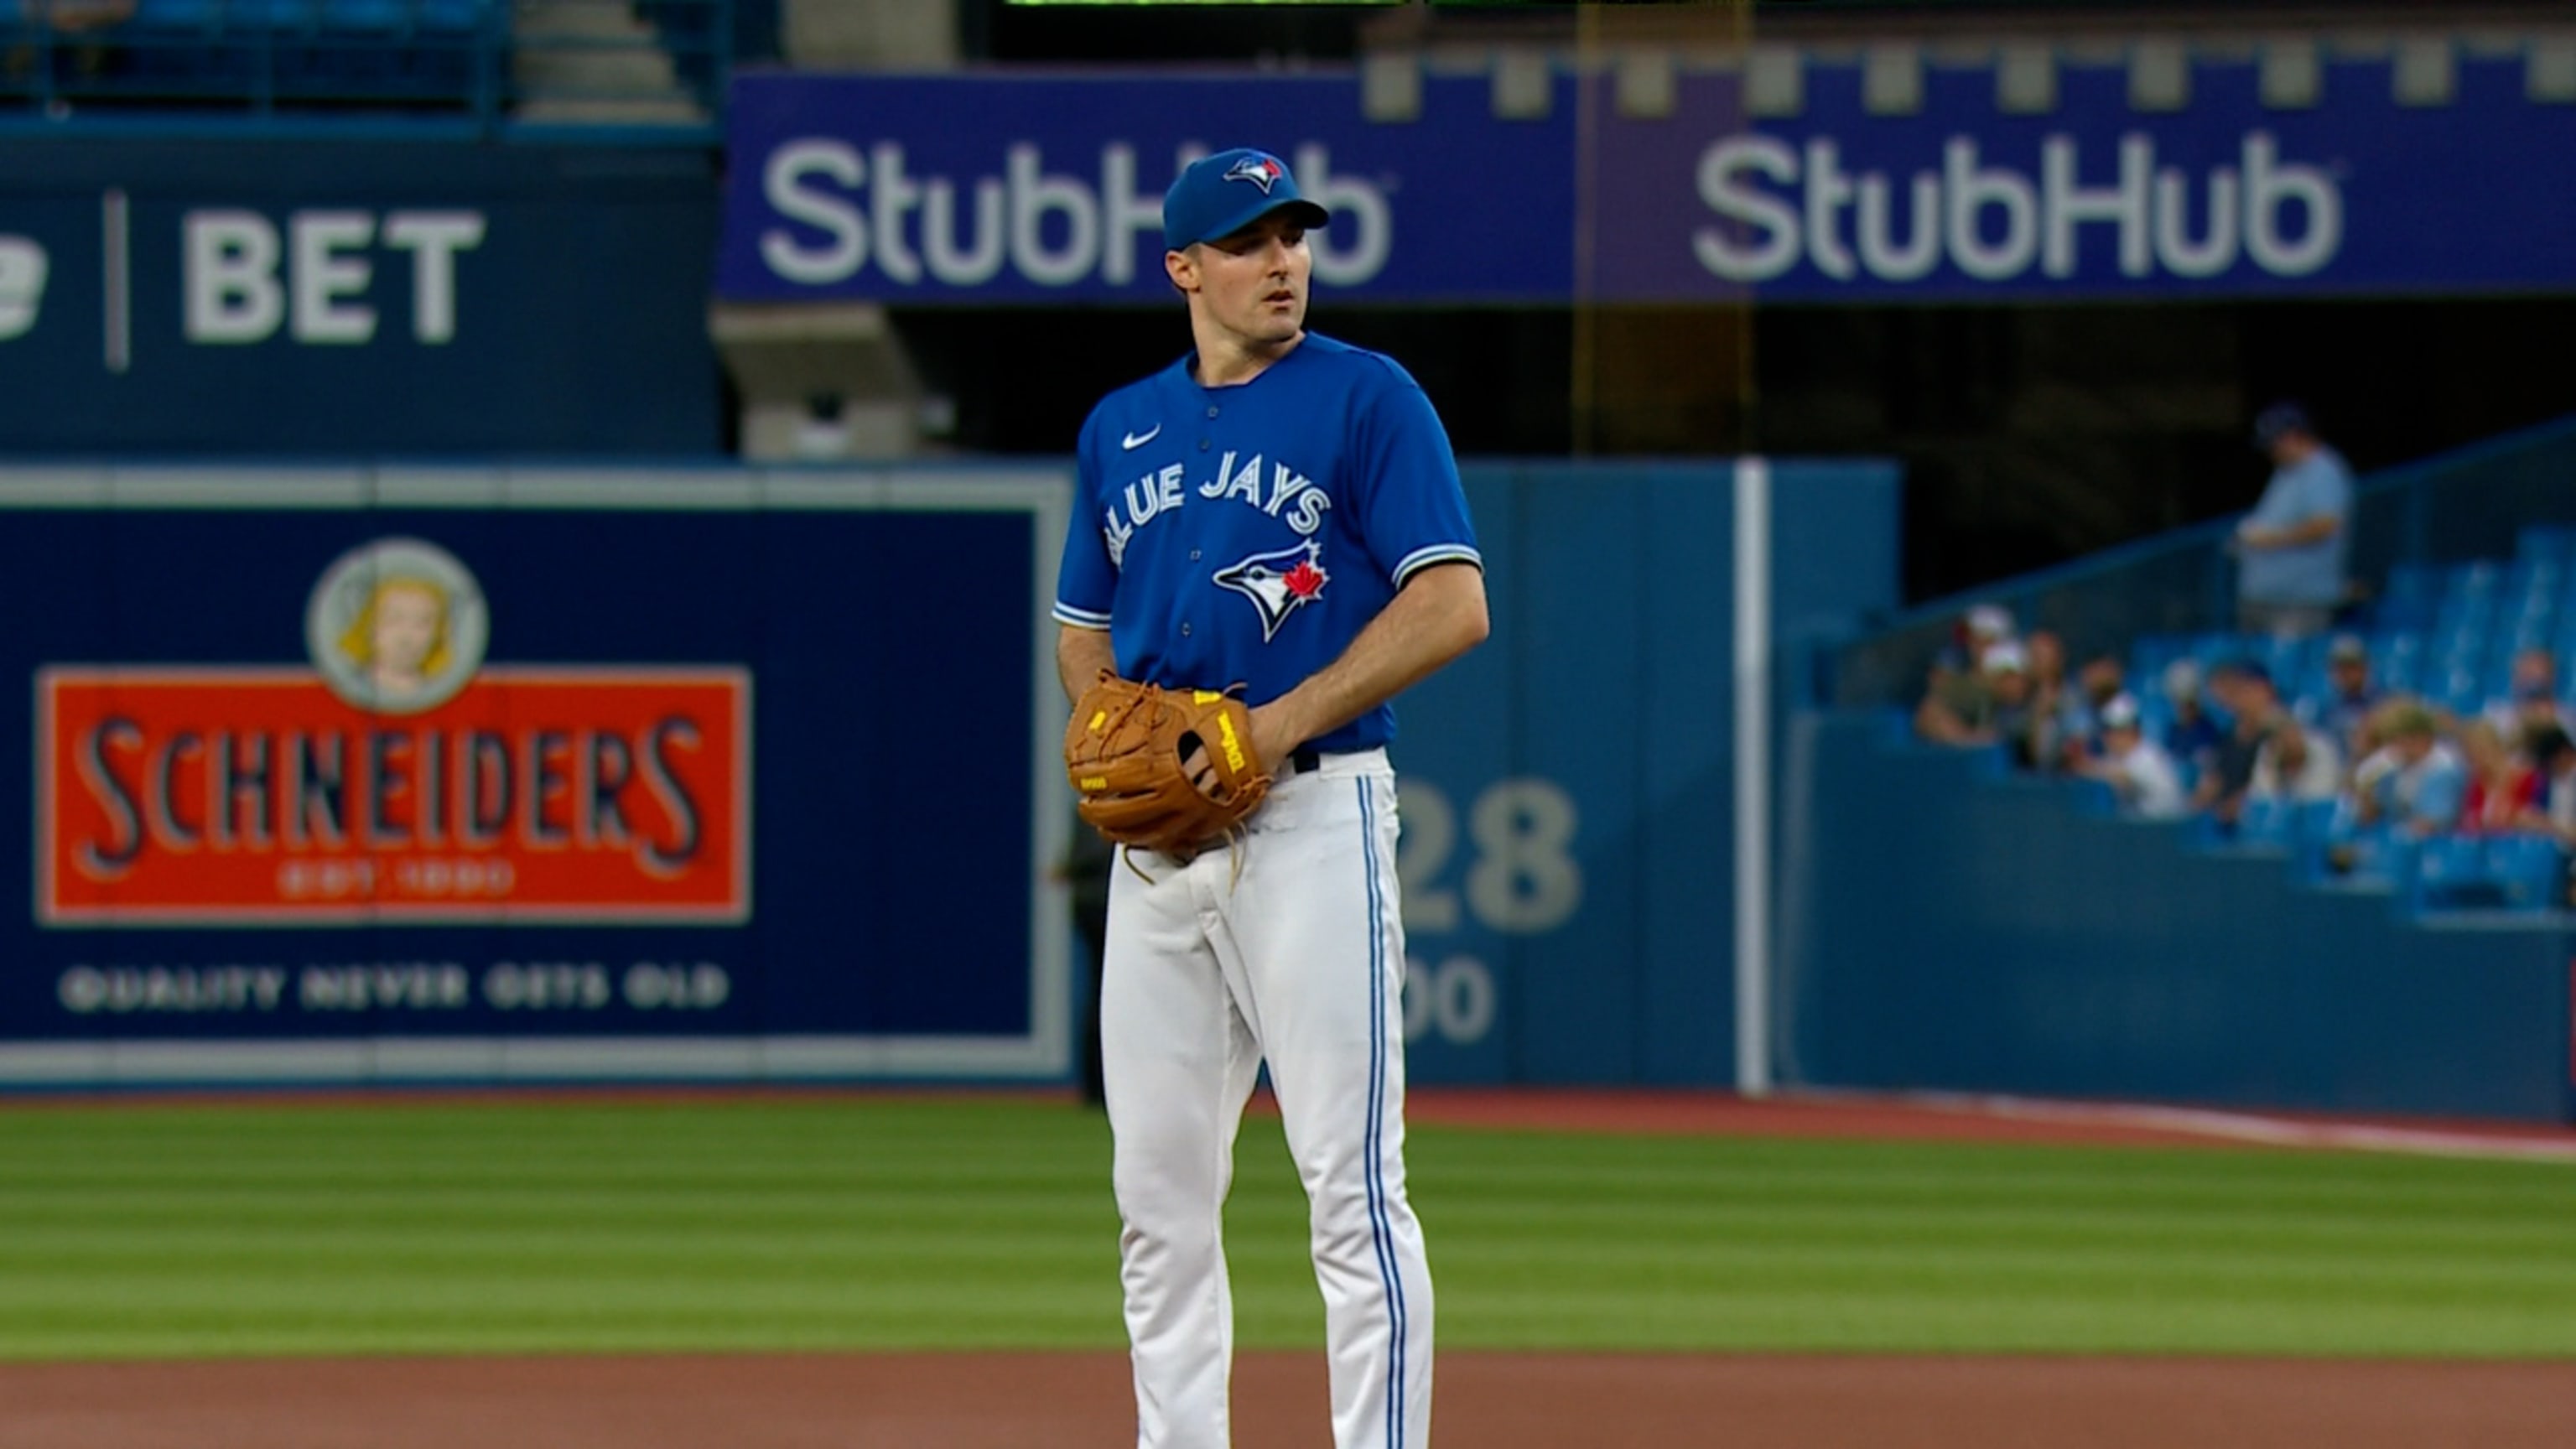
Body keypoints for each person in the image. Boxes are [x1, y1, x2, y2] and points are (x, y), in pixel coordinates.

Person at [1050, 147, 1484, 1449]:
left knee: (1351, 1194)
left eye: (1293, 237)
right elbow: (1083, 623)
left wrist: (1271, 725)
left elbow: (1453, 603)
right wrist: (1102, 717)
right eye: (1247, 242)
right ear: (1186, 268)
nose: (1281, 261)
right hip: (1162, 851)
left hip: (1309, 816)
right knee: (1159, 1201)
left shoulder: (1369, 398)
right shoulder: (1118, 424)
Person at [2231, 402, 2354, 639]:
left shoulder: (2323, 470)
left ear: (2294, 436)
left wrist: (2270, 538)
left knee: (2287, 670)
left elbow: (2325, 525)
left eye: (2273, 442)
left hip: (2300, 602)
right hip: (2265, 599)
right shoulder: (2286, 472)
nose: (2270, 451)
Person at [2070, 693, 2187, 818]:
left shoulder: (2149, 756)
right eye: (2106, 731)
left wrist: (2089, 769)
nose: (2107, 738)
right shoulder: (2117, 757)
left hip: (2167, 828)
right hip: (2141, 830)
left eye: (2113, 730)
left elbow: (2122, 778)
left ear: (2132, 730)